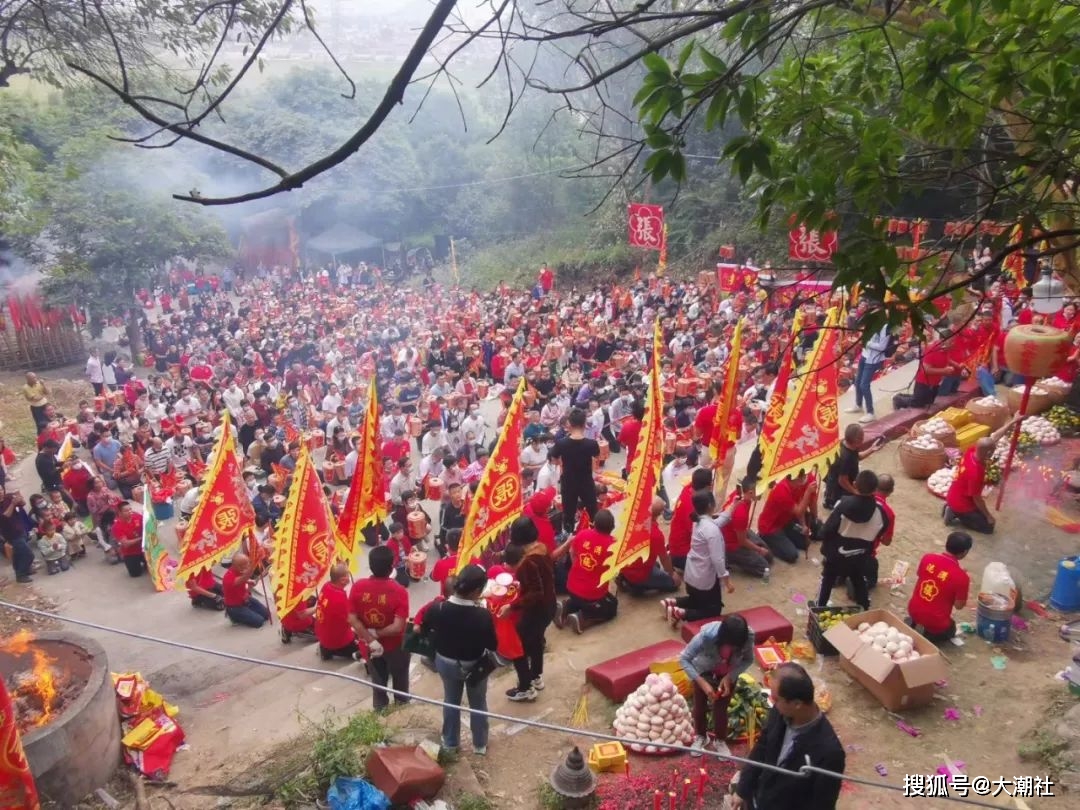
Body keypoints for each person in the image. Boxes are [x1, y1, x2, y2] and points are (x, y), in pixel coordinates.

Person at [732, 662, 845, 810]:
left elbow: (822, 804)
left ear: (797, 704)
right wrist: (743, 789)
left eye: (777, 699)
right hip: (759, 799)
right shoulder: (780, 713)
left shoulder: (829, 753)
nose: (773, 702)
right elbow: (761, 748)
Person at [422, 564, 498, 756]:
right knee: (478, 704)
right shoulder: (482, 615)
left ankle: (450, 743)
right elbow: (493, 644)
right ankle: (479, 744)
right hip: (474, 666)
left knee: (451, 701)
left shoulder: (437, 608)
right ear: (476, 591)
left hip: (445, 663)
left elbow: (424, 629)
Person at [678, 615, 754, 757]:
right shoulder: (707, 636)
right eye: (730, 644)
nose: (732, 648)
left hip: (727, 675)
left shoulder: (747, 637)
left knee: (721, 709)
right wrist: (702, 682)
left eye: (736, 646)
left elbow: (749, 660)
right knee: (699, 707)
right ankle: (701, 736)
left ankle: (720, 740)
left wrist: (729, 677)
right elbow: (684, 658)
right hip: (703, 672)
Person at [816, 470, 889, 611]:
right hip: (860, 555)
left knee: (827, 580)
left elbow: (827, 530)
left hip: (836, 554)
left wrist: (822, 536)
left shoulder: (843, 504)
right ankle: (864, 607)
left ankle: (819, 608)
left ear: (855, 484)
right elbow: (879, 533)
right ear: (875, 490)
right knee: (858, 579)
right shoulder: (881, 513)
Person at [348, 545, 411, 711]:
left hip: (370, 646)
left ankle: (380, 709)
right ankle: (401, 705)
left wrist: (370, 638)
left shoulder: (357, 587)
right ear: (391, 567)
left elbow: (352, 619)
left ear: (370, 566)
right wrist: (378, 633)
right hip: (396, 646)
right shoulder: (399, 591)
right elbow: (398, 627)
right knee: (400, 676)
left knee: (378, 680)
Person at [505, 516, 556, 702]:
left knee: (517, 646)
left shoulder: (528, 562)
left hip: (537, 610)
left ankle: (525, 687)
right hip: (549, 607)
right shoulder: (542, 548)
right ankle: (536, 676)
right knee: (535, 641)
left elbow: (535, 592)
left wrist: (512, 606)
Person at [666, 490, 734, 625]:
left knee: (696, 600)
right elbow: (718, 559)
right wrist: (726, 580)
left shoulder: (698, 522)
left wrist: (734, 505)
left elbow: (718, 521)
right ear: (710, 505)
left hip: (693, 575)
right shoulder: (710, 529)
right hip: (704, 578)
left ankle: (672, 602)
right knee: (713, 611)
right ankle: (680, 613)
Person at [555, 508, 618, 634]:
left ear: (594, 523)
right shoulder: (613, 545)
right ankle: (583, 618)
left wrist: (577, 568)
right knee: (611, 606)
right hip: (593, 594)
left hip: (572, 586)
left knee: (580, 599)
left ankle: (567, 607)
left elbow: (572, 552)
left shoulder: (583, 534)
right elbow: (614, 571)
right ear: (612, 527)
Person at [907, 531, 973, 643]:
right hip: (936, 622)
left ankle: (916, 625)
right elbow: (959, 606)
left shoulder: (927, 558)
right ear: (964, 552)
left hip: (913, 611)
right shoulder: (962, 577)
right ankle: (926, 634)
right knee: (951, 628)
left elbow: (920, 574)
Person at [548, 408, 600, 530]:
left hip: (568, 481)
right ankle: (595, 532)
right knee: (592, 509)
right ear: (584, 424)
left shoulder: (561, 443)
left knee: (569, 511)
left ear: (569, 424)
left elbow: (554, 458)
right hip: (586, 481)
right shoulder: (591, 443)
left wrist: (563, 461)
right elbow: (597, 457)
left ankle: (569, 535)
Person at [618, 497, 678, 594]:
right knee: (674, 583)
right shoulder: (656, 534)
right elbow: (664, 558)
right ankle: (636, 586)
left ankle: (628, 578)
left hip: (625, 564)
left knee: (656, 565)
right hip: (639, 573)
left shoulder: (631, 519)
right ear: (659, 514)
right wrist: (672, 574)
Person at [756, 471, 817, 564]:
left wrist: (803, 525)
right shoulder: (782, 490)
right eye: (803, 478)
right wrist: (807, 493)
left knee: (806, 543)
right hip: (770, 528)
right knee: (792, 555)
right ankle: (764, 539)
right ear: (797, 478)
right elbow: (799, 510)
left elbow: (800, 507)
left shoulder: (795, 486)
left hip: (784, 522)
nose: (805, 480)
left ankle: (784, 538)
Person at [722, 478, 772, 579]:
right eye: (761, 490)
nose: (763, 493)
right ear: (750, 492)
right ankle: (730, 558)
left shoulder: (742, 495)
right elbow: (742, 541)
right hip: (731, 543)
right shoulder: (740, 511)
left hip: (739, 531)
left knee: (768, 555)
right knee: (764, 568)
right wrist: (758, 549)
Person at [944, 437, 996, 534]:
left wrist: (1012, 422)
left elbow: (993, 437)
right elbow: (977, 499)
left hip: (953, 494)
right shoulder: (976, 472)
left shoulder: (971, 450)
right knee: (989, 528)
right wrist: (989, 516)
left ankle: (950, 507)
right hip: (962, 504)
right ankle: (954, 513)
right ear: (989, 453)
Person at [822, 424, 880, 509]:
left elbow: (857, 457)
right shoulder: (845, 458)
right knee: (841, 505)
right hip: (839, 488)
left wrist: (871, 449)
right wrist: (855, 492)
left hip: (842, 480)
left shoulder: (847, 444)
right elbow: (842, 480)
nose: (863, 439)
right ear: (856, 440)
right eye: (862, 437)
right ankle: (829, 501)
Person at [669, 468, 713, 573]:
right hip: (682, 553)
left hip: (676, 546)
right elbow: (697, 534)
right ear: (708, 487)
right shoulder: (693, 505)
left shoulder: (688, 488)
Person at [315, 564, 360, 660]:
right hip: (338, 640)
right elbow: (352, 620)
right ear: (343, 580)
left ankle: (326, 649)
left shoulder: (326, 586)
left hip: (323, 635)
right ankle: (333, 650)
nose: (349, 576)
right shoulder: (339, 598)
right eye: (348, 575)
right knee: (364, 648)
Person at [847, 325, 891, 423]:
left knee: (864, 385)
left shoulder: (885, 328)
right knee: (858, 381)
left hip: (873, 360)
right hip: (865, 355)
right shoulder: (872, 323)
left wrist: (867, 342)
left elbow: (882, 347)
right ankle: (858, 405)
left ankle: (871, 413)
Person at [222, 552, 271, 627]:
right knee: (259, 622)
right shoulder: (228, 577)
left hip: (245, 599)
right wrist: (255, 562)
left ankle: (247, 612)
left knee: (267, 615)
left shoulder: (240, 571)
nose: (247, 566)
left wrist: (249, 582)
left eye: (247, 564)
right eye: (245, 565)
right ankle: (234, 617)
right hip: (235, 607)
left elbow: (244, 579)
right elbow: (243, 578)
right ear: (237, 566)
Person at [0, 485, 34, 583]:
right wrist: (12, 504)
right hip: (11, 534)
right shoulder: (9, 502)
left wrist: (19, 498)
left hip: (20, 528)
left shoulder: (8, 497)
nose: (1, 492)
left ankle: (24, 571)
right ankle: (21, 574)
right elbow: (5, 517)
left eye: (1, 490)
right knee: (28, 554)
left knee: (18, 554)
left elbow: (22, 504)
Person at [111, 502, 146, 578]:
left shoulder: (138, 517)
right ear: (120, 513)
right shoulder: (116, 526)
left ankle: (145, 562)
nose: (130, 512)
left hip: (144, 549)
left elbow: (148, 525)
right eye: (126, 511)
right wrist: (141, 538)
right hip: (130, 552)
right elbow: (126, 544)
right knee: (135, 574)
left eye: (130, 509)